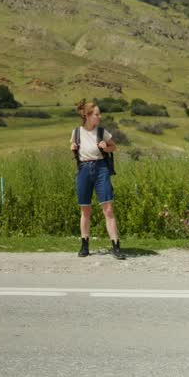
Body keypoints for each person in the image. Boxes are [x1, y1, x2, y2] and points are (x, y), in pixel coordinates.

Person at [71, 100, 125, 259]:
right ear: (87, 116)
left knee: (108, 209)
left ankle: (116, 247)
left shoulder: (102, 132)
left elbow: (113, 147)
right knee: (85, 209)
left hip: (101, 169)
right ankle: (84, 245)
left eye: (99, 114)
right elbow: (73, 146)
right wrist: (73, 147)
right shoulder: (76, 132)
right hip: (83, 170)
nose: (99, 117)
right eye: (96, 114)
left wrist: (105, 147)